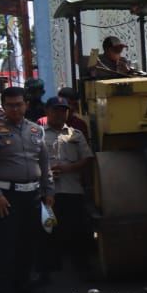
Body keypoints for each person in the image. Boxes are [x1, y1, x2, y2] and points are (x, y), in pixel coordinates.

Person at [0, 86, 54, 293]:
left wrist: (49, 190)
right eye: (10, 105)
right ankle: (4, 289)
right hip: (6, 197)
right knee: (7, 244)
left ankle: (25, 283)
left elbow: (44, 162)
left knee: (29, 242)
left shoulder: (35, 130)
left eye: (19, 104)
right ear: (3, 106)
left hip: (33, 195)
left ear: (26, 105)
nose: (15, 109)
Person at [39, 96, 94, 281]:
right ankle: (47, 269)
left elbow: (87, 158)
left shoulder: (75, 134)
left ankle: (81, 266)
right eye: (55, 110)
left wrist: (69, 168)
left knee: (77, 229)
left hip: (72, 189)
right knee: (47, 230)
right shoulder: (36, 134)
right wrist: (44, 172)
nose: (60, 113)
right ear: (47, 111)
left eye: (63, 110)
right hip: (47, 192)